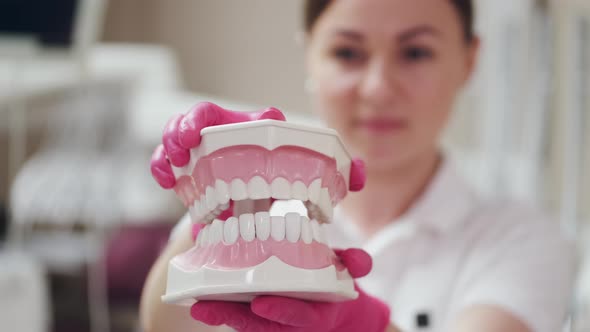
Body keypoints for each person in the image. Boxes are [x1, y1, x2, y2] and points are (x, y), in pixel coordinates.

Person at [140, 0, 576, 331]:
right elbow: (162, 323)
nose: (378, 88)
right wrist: (216, 207)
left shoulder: (521, 240)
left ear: (469, 60)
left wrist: (358, 323)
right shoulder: (251, 212)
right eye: (348, 53)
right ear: (310, 55)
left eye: (416, 53)